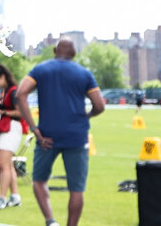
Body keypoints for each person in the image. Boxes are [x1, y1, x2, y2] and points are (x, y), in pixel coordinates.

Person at [16, 38, 105, 226]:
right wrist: (87, 116)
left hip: (46, 137)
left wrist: (34, 129)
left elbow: (20, 94)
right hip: (77, 137)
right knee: (76, 189)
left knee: (39, 181)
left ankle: (51, 221)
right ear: (74, 54)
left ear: (55, 50)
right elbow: (99, 105)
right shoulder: (84, 73)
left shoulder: (40, 70)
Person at [0, 64, 27, 210]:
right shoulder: (7, 91)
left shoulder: (13, 91)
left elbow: (20, 113)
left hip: (12, 129)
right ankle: (15, 196)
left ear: (3, 77)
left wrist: (2, 112)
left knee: (3, 166)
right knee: (9, 165)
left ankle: (2, 198)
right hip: (8, 130)